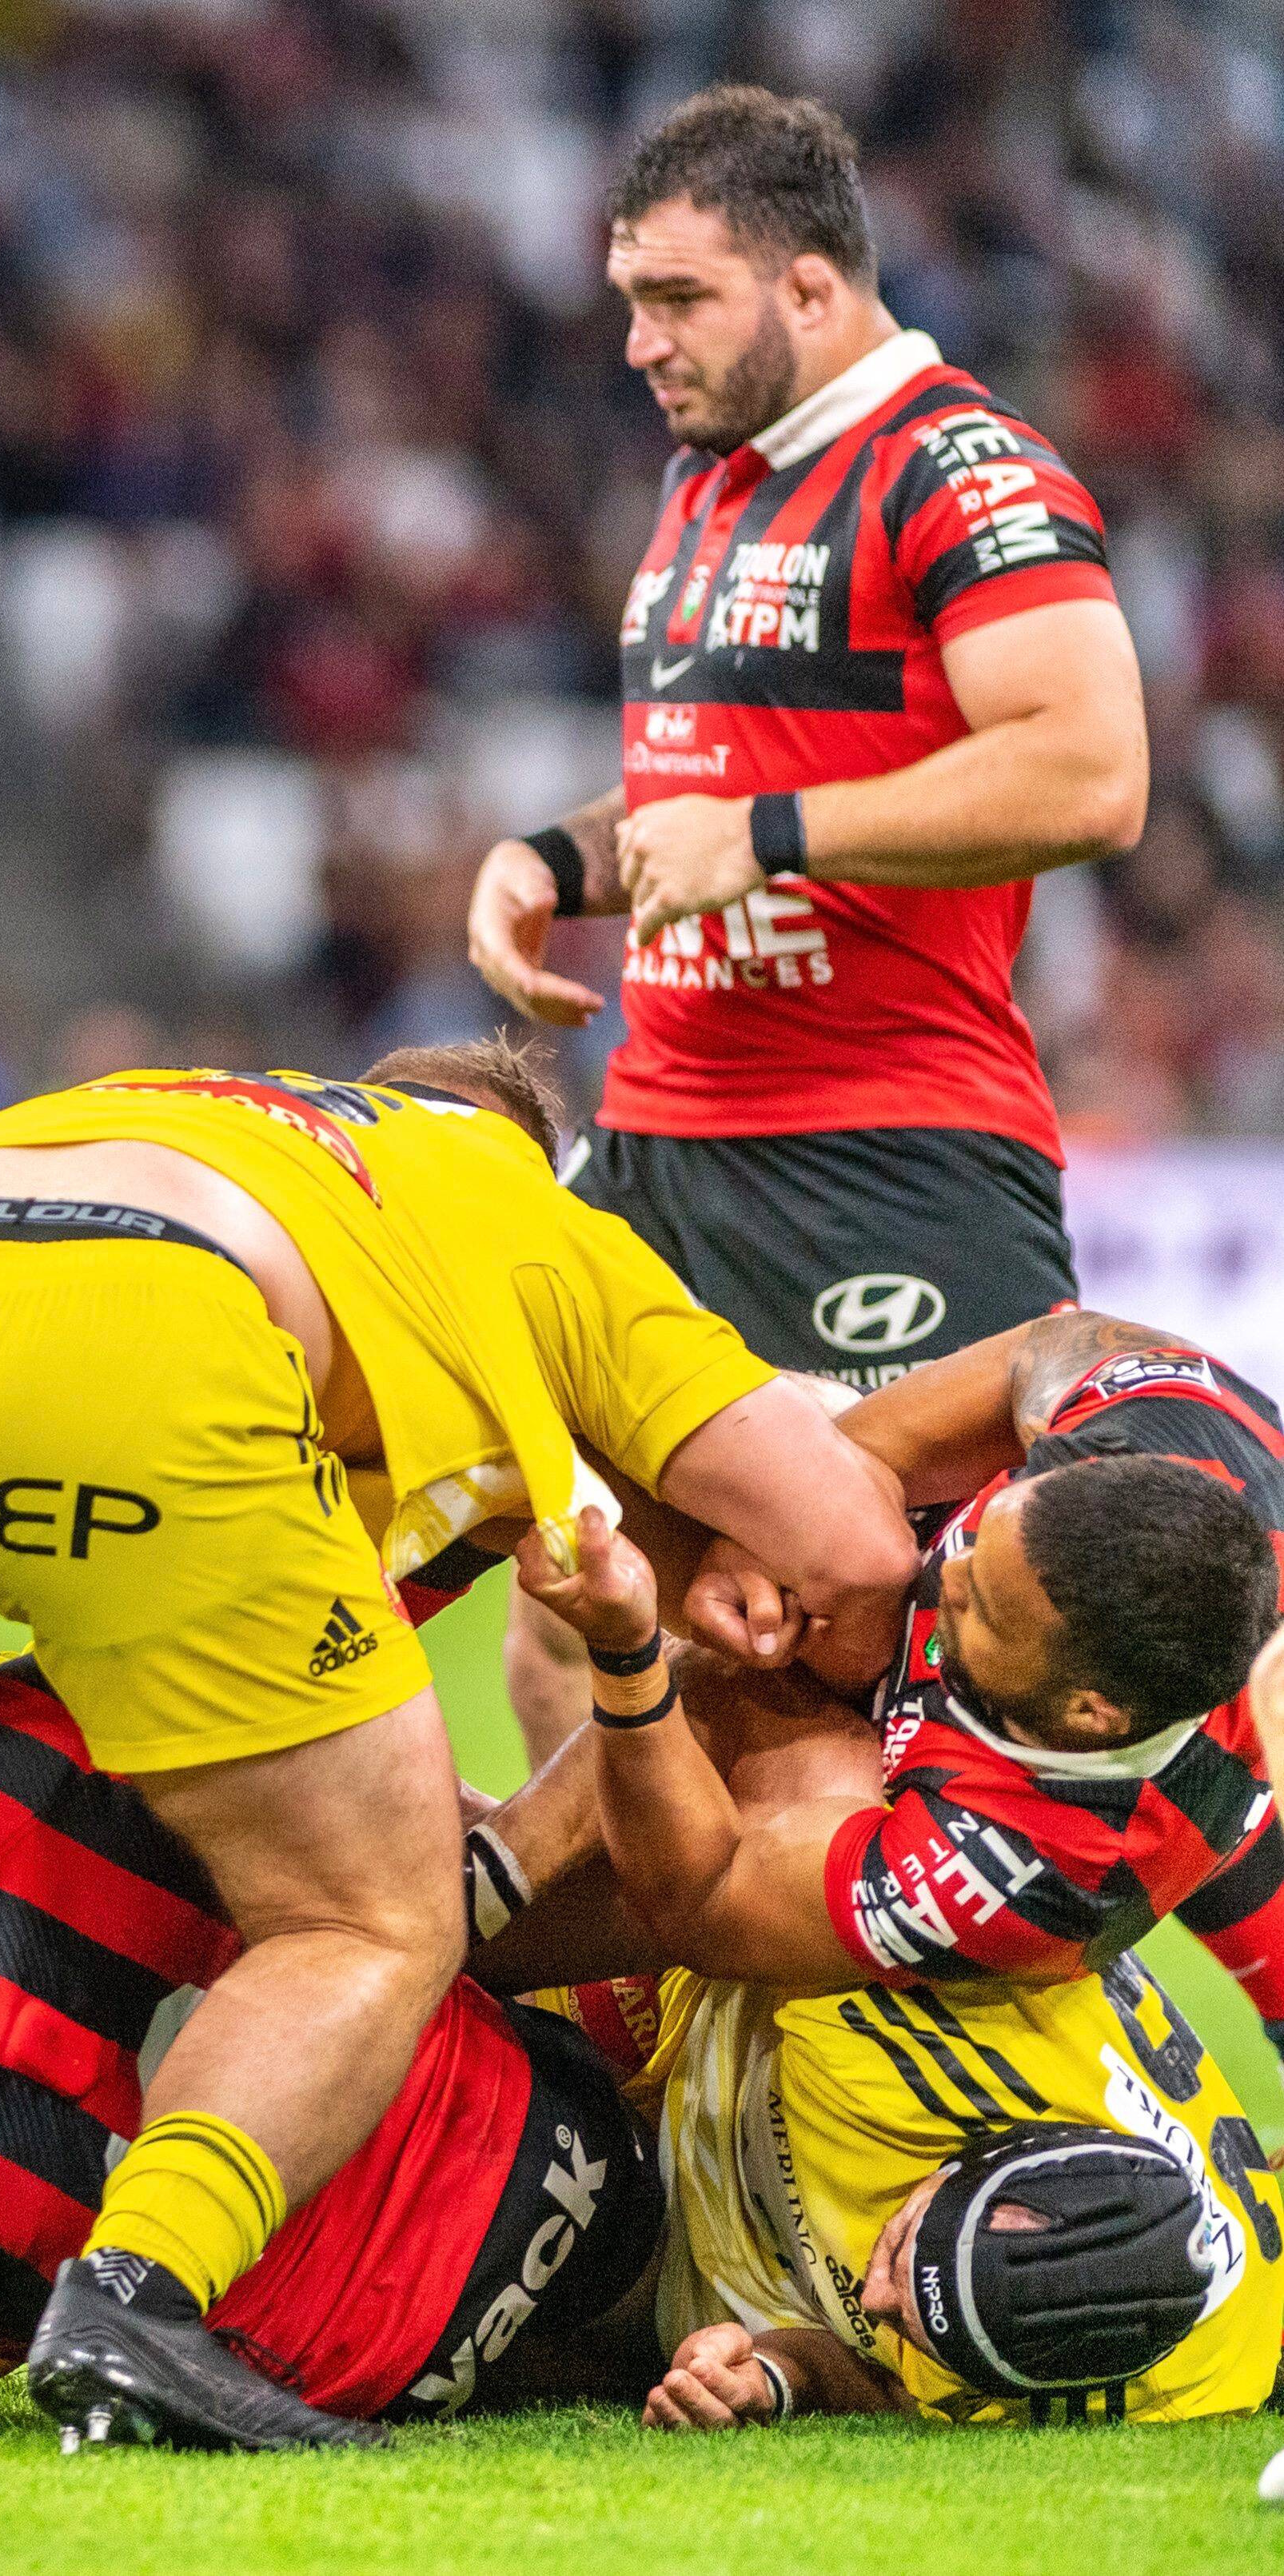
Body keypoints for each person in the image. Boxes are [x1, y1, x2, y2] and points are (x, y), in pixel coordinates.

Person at [0, 1039, 915, 2447]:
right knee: (365, 1921)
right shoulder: (537, 1223)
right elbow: (849, 1541)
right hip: (145, 1337)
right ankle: (138, 2295)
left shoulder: (226, 1111)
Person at [462, 85, 1148, 1763]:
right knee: (582, 1615)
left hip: (883, 1156)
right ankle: (642, 2028)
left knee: (1003, 1647)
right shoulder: (712, 483)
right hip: (659, 1149)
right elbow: (718, 810)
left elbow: (1091, 767)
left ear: (814, 291)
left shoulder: (957, 466)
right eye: (629, 300)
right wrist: (561, 856)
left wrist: (766, 832)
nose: (639, 342)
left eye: (679, 298)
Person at [0, 1686, 663, 2440]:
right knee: (360, 1870)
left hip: (378, 2358)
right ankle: (651, 1701)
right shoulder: (28, 1744)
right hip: (520, 2101)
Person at [493, 1510, 1281, 2428]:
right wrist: (629, 1663)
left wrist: (777, 2375)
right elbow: (710, 1857)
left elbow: (891, 2380)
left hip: (694, 2254)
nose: (871, 2297)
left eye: (914, 2322)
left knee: (480, 2340)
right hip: (708, 2026)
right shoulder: (902, 2035)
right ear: (966, 2161)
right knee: (407, 1943)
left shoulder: (1159, 2373)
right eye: (901, 2253)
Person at [547, 1311, 1284, 2011]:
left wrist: (628, 1658)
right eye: (980, 1542)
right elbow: (1036, 1352)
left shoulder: (1031, 1867)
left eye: (982, 1608)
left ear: (1087, 1710)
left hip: (851, 1809)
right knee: (745, 1426)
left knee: (804, 1771)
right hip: (880, 1642)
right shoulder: (1179, 1430)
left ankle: (492, 1946)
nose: (949, 1575)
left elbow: (705, 1903)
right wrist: (789, 1526)